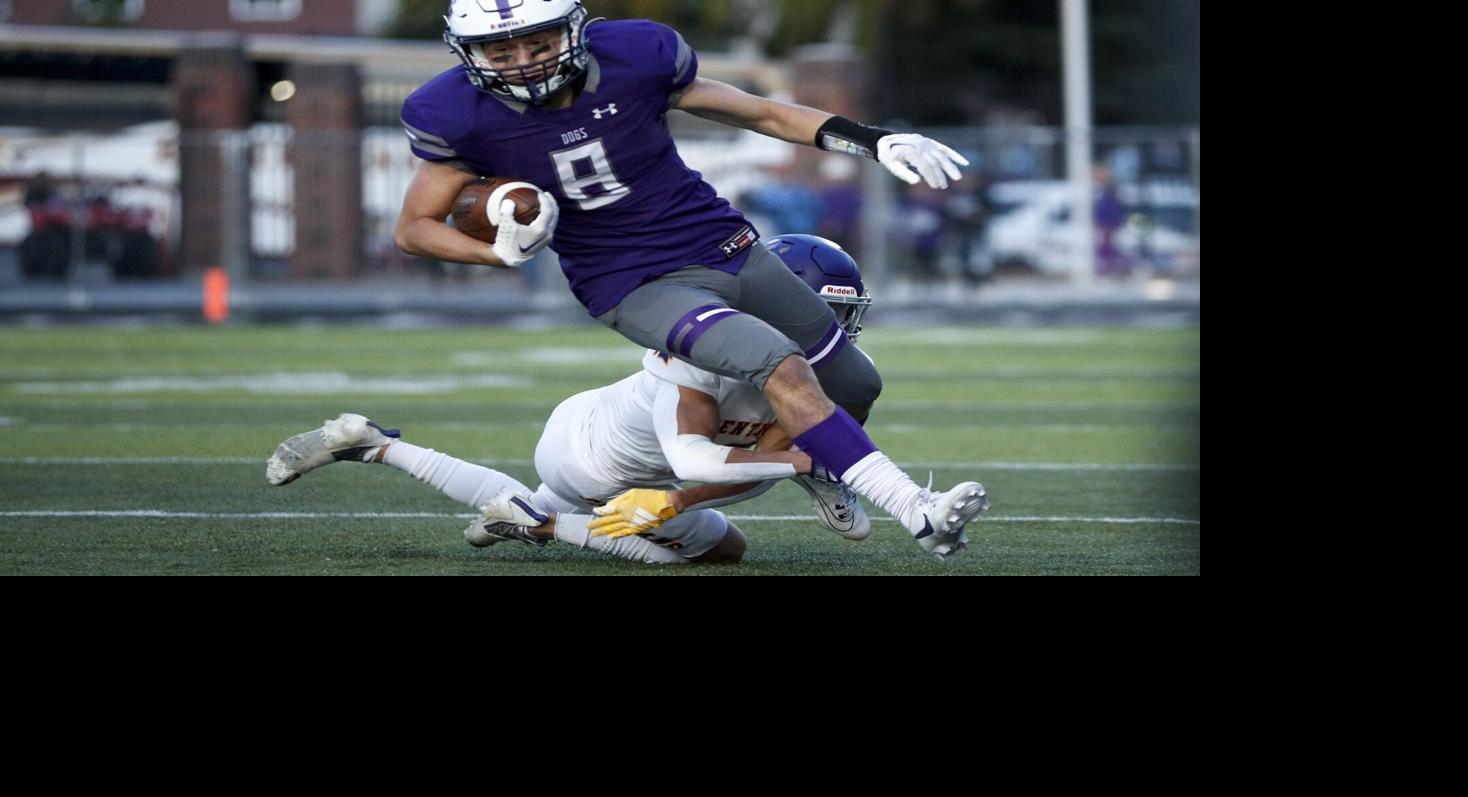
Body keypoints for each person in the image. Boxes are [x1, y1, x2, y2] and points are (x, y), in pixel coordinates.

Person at [394, 0, 986, 558]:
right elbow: (415, 227)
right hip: (632, 280)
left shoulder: (635, 57)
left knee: (856, 383)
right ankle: (919, 512)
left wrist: (874, 140)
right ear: (468, 54)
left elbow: (763, 111)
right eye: (501, 52)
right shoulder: (454, 114)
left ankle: (830, 468)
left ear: (573, 30)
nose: (524, 62)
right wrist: (504, 254)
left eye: (538, 43)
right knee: (777, 362)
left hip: (725, 245)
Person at [266, 235, 988, 562]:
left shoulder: (835, 372)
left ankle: (375, 442)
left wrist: (810, 463)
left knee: (728, 552)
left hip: (678, 474)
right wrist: (815, 466)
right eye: (821, 313)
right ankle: (540, 525)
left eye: (839, 315)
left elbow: (775, 450)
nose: (833, 331)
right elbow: (694, 454)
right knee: (598, 521)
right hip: (595, 452)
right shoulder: (701, 346)